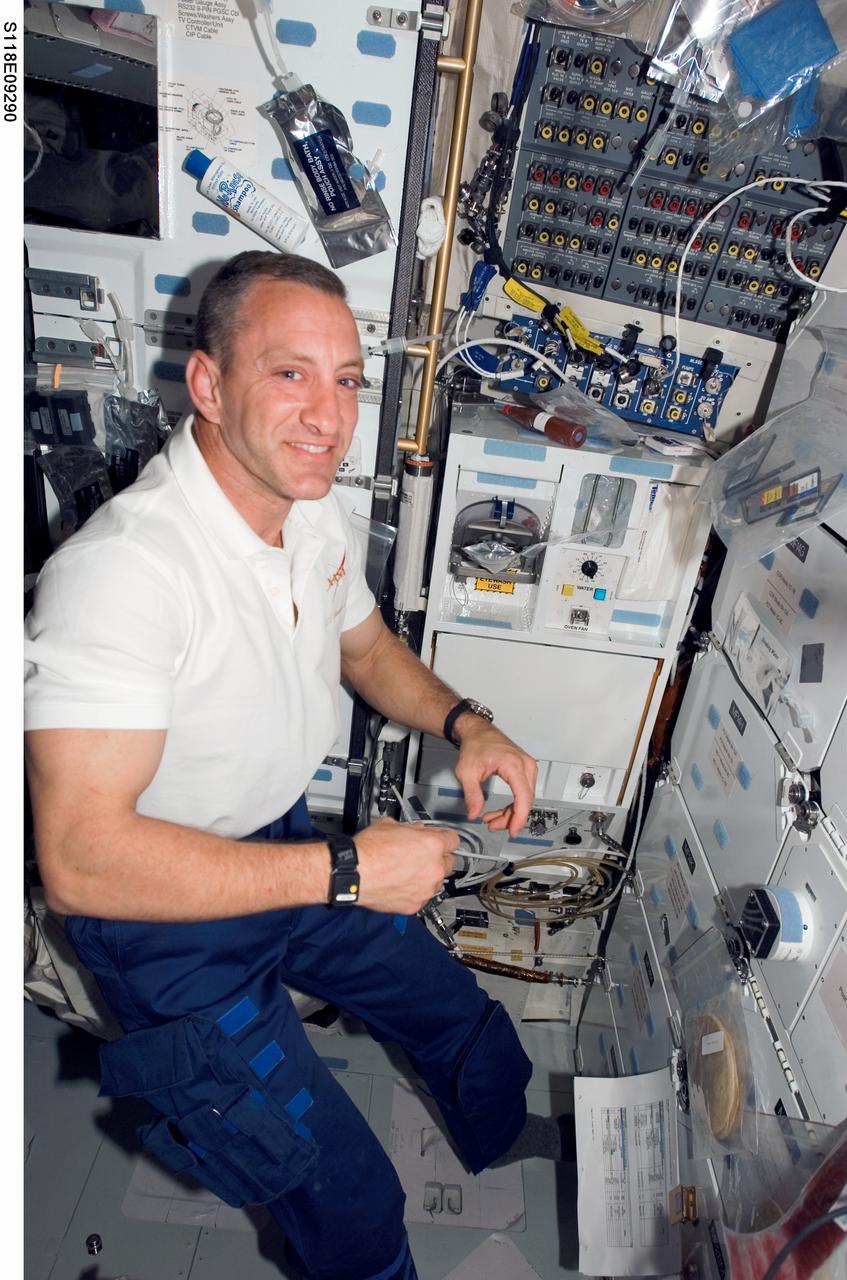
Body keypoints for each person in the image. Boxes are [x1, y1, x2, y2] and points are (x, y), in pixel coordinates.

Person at [24, 252, 559, 1280]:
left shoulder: (305, 504)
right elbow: (84, 859)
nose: (328, 412)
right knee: (347, 1200)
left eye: (347, 378)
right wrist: (351, 872)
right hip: (162, 923)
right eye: (289, 373)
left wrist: (467, 721)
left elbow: (363, 647)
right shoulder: (121, 576)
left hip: (275, 846)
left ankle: (497, 1132)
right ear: (210, 386)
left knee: (452, 1010)